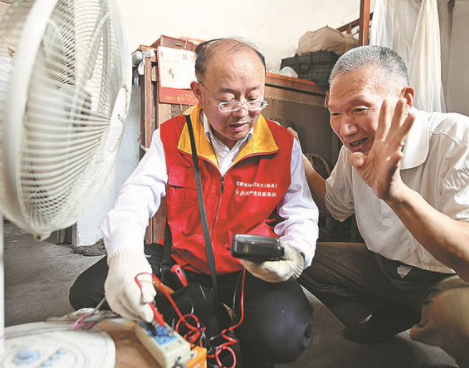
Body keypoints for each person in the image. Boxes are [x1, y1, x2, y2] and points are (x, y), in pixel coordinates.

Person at [69, 38, 319, 368]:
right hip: (183, 262)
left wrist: (295, 252)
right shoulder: (172, 135)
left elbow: (299, 211)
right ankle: (197, 320)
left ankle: (228, 330)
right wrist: (125, 255)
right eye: (227, 101)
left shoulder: (284, 144)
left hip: (251, 268)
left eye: (255, 98)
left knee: (283, 334)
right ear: (198, 93)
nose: (243, 112)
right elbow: (136, 197)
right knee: (89, 292)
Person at [294, 45, 469, 368]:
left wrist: (395, 192)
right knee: (300, 257)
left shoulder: (460, 138)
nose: (345, 128)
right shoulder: (352, 149)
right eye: (335, 112)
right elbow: (332, 204)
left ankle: (425, 310)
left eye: (359, 108)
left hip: (455, 275)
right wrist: (297, 158)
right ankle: (399, 309)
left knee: (464, 321)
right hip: (387, 268)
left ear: (405, 100)